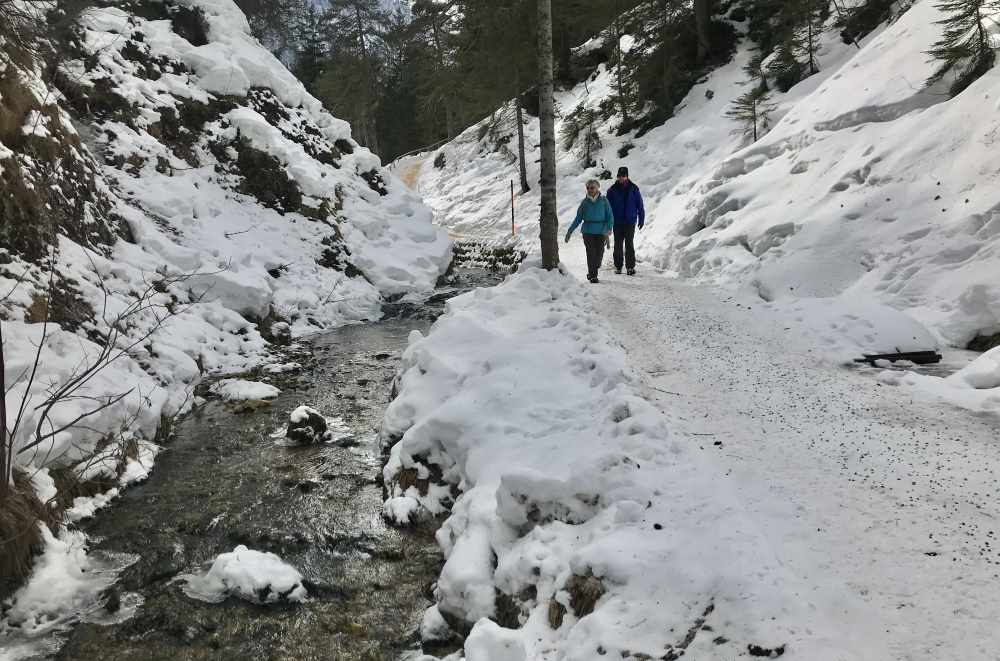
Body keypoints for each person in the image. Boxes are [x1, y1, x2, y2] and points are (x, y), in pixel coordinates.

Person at [565, 179, 614, 283]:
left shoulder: (604, 201)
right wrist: (570, 231)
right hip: (588, 232)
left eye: (592, 188)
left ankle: (594, 267)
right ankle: (593, 275)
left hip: (601, 231)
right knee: (591, 253)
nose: (590, 190)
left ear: (597, 188)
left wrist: (609, 228)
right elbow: (578, 218)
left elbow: (610, 216)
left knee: (599, 254)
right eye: (588, 188)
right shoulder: (584, 203)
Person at [606, 166, 645, 275]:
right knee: (618, 245)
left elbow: (640, 205)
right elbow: (607, 207)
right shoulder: (612, 190)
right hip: (617, 222)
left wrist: (641, 218)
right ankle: (618, 266)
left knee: (629, 244)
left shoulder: (634, 189)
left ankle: (630, 267)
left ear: (627, 176)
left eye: (623, 176)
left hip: (630, 222)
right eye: (619, 176)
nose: (621, 178)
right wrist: (606, 221)